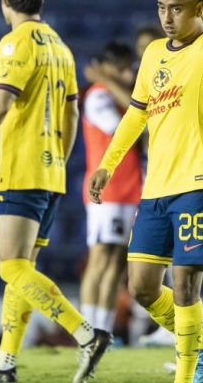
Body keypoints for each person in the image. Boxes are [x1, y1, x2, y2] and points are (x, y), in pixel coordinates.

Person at [0, 0, 110, 383]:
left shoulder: (14, 43)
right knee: (23, 273)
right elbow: (72, 111)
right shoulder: (60, 47)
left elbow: (0, 104)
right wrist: (60, 157)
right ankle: (4, 365)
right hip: (51, 172)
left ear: (5, 0)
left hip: (22, 169)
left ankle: (86, 335)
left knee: (10, 269)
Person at [87, 0, 203, 383]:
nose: (167, 17)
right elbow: (138, 114)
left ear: (198, 8)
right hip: (157, 188)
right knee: (141, 287)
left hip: (201, 181)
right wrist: (108, 164)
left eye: (177, 8)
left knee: (187, 283)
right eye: (161, 8)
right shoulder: (154, 53)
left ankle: (189, 374)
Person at [79, 42, 141, 336]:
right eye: (124, 69)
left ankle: (103, 331)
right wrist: (104, 81)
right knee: (99, 261)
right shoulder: (98, 96)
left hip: (128, 189)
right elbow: (127, 128)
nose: (129, 75)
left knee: (116, 265)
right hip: (109, 191)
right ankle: (88, 331)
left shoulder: (115, 96)